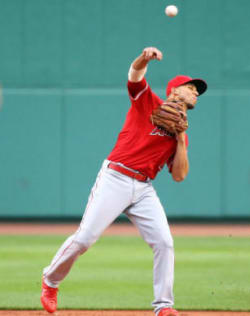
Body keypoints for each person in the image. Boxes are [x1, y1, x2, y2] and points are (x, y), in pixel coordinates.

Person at [40, 47, 207, 316]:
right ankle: (51, 280)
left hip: (143, 188)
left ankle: (164, 306)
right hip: (116, 177)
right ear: (174, 90)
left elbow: (179, 176)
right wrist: (144, 57)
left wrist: (179, 139)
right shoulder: (148, 102)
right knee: (84, 239)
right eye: (191, 88)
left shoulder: (181, 133)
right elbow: (134, 76)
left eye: (197, 91)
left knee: (164, 242)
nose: (196, 92)